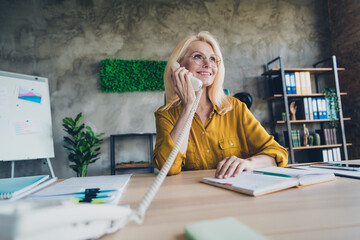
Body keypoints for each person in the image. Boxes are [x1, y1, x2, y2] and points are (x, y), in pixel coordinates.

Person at [152, 31, 288, 179]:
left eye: (212, 59)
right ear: (178, 66)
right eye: (197, 56)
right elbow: (168, 167)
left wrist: (250, 163)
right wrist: (188, 106)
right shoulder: (165, 115)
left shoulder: (236, 108)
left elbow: (278, 153)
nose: (208, 64)